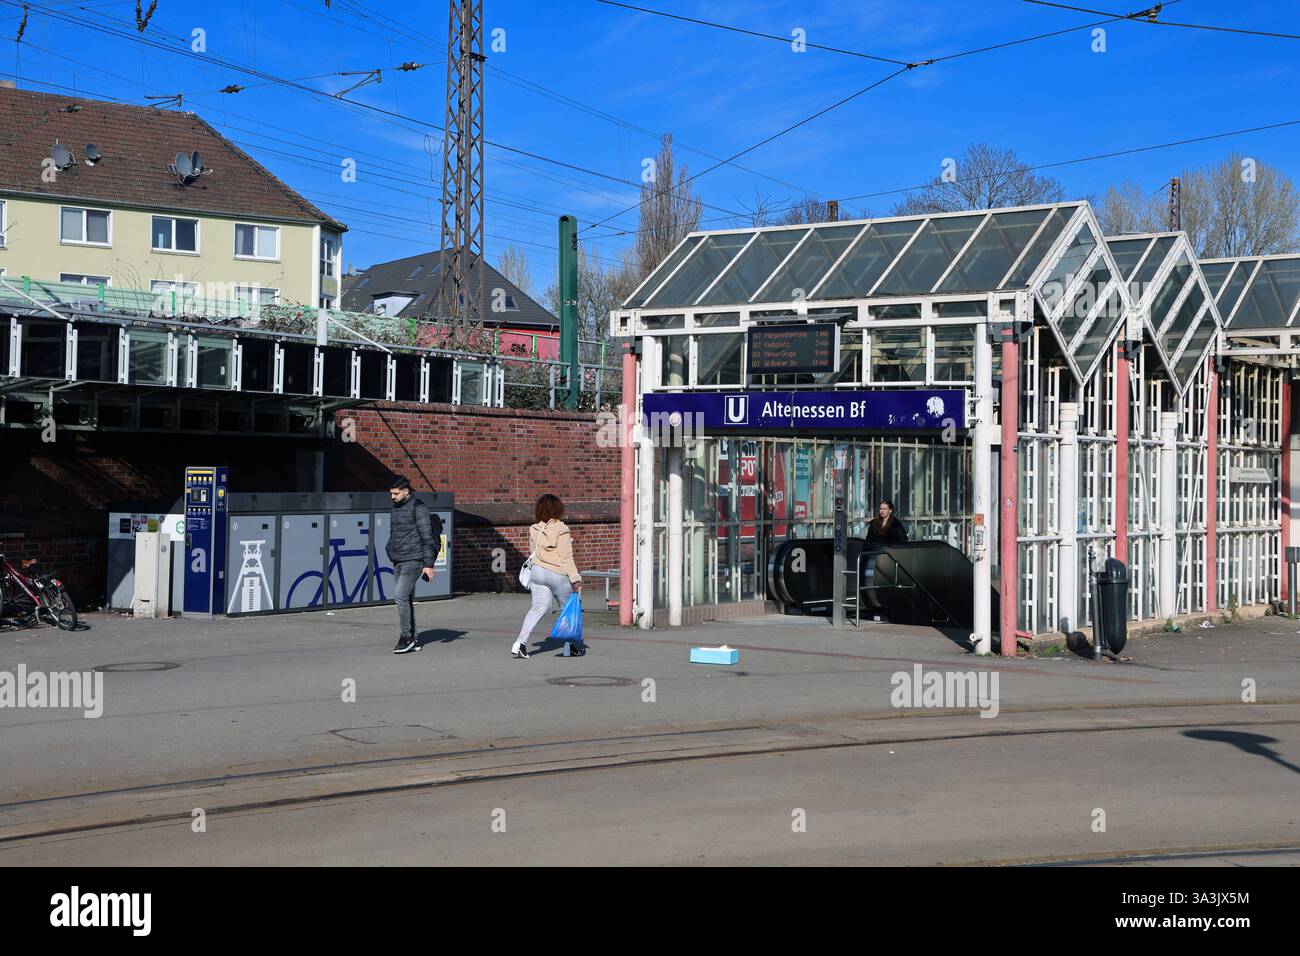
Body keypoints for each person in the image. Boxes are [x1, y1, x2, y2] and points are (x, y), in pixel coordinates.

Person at [513, 494, 584, 659]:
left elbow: (532, 552)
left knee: (537, 608)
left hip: (538, 573)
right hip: (557, 573)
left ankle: (520, 644)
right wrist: (575, 579)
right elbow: (566, 557)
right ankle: (570, 647)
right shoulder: (562, 529)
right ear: (557, 509)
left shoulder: (534, 528)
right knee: (567, 610)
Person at [386, 476, 440, 654]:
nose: (392, 497)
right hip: (399, 559)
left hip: (414, 560)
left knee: (400, 596)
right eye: (391, 494)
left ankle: (406, 637)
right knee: (406, 599)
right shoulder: (396, 509)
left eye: (396, 493)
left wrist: (429, 565)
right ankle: (414, 639)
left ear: (406, 491)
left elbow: (427, 538)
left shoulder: (419, 508)